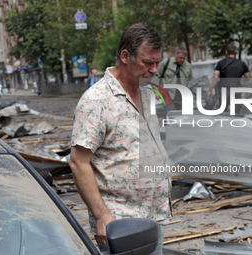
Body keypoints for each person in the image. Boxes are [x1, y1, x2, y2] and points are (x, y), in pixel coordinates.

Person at [69, 23, 171, 255]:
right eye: (147, 63)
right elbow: (78, 162)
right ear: (125, 56)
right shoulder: (97, 101)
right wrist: (102, 216)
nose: (154, 69)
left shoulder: (147, 93)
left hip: (152, 219)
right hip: (121, 224)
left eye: (157, 63)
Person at [208, 44, 250, 113]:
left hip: (224, 92)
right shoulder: (242, 64)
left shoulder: (220, 63)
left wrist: (210, 90)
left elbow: (215, 78)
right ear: (235, 52)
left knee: (223, 114)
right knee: (236, 115)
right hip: (236, 92)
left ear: (226, 52)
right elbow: (248, 78)